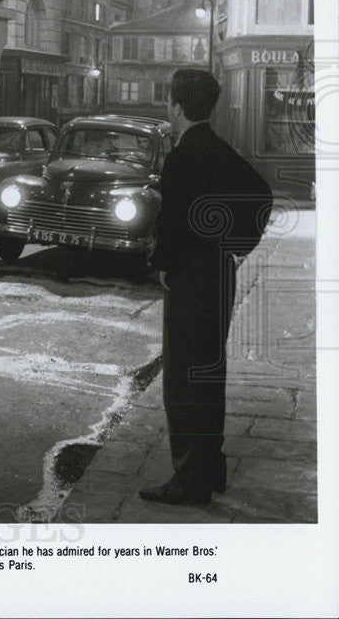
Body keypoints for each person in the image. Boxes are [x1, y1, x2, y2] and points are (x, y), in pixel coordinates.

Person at [141, 68, 273, 506]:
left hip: (191, 279)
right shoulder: (220, 150)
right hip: (220, 273)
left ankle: (190, 480)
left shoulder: (181, 156)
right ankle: (209, 468)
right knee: (209, 373)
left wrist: (164, 265)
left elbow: (174, 224)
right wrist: (235, 247)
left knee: (183, 380)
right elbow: (261, 196)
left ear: (176, 106)